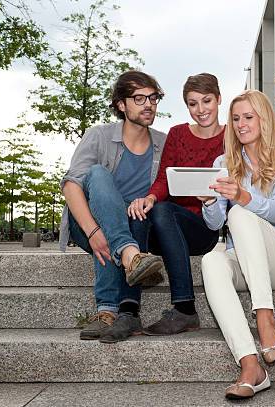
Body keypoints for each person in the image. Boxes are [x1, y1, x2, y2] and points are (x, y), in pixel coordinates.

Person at [201, 90, 275, 399]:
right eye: (235, 119)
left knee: (242, 213)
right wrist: (209, 203)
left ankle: (265, 317)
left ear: (264, 120)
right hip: (244, 261)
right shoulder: (224, 162)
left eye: (248, 117)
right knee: (211, 260)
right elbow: (215, 224)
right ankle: (251, 366)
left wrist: (242, 197)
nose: (241, 124)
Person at [59, 70, 167, 342]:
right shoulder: (99, 136)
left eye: (153, 98)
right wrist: (94, 232)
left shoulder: (163, 143)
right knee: (96, 173)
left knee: (125, 220)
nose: (148, 104)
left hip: (134, 227)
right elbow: (71, 186)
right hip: (87, 222)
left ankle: (107, 311)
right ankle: (130, 256)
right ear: (121, 104)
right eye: (139, 98)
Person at [126, 73, 224, 336]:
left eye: (206, 101)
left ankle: (185, 309)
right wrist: (149, 197)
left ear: (219, 99)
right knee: (140, 210)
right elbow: (163, 179)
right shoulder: (178, 133)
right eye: (193, 104)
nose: (200, 110)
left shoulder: (231, 137)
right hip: (166, 225)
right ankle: (128, 309)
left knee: (161, 209)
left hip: (203, 229)